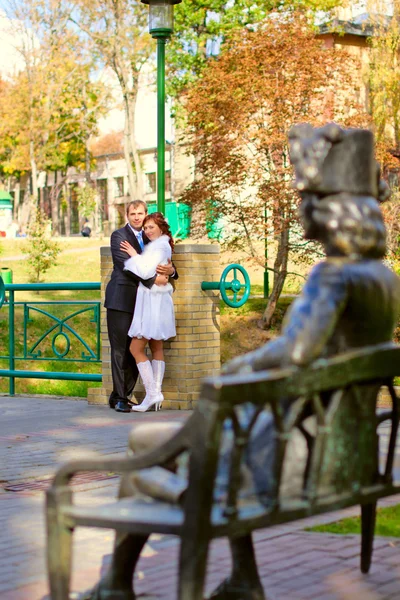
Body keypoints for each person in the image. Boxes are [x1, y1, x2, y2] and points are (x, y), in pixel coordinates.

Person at [86, 124, 400, 600]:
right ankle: (243, 579)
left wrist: (234, 372)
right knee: (180, 436)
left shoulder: (333, 277)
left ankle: (116, 586)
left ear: (327, 209)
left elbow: (293, 353)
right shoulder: (384, 278)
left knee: (142, 457)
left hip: (294, 449)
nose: (299, 209)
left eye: (304, 199)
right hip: (347, 447)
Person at [105, 200, 177, 413]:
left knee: (139, 348)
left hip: (145, 302)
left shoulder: (151, 238)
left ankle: (133, 393)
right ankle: (120, 398)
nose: (137, 218)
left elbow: (163, 260)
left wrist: (171, 271)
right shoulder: (119, 236)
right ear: (127, 215)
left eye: (140, 214)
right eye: (133, 213)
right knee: (121, 350)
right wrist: (155, 279)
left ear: (146, 214)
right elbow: (125, 266)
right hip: (122, 299)